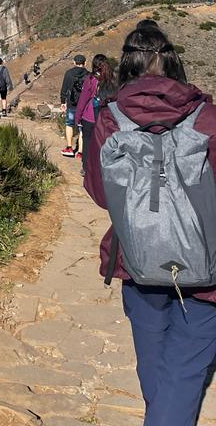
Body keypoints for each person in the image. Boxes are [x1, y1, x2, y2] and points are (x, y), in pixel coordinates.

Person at [84, 23, 216, 426]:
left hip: (137, 263)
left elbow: (100, 193)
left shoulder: (110, 119)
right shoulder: (208, 117)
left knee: (155, 367)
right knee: (184, 371)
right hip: (207, 274)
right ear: (175, 62)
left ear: (126, 67)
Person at [73, 54, 113, 175]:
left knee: (87, 143)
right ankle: (101, 168)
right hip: (106, 117)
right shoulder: (111, 79)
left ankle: (86, 168)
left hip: (90, 116)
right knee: (102, 143)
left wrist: (78, 117)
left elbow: (83, 100)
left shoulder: (91, 79)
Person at [60, 54, 87, 158]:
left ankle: (69, 148)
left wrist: (63, 102)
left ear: (74, 62)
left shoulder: (69, 73)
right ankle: (80, 153)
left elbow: (64, 89)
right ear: (85, 63)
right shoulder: (89, 75)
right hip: (84, 106)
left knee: (69, 124)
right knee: (82, 128)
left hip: (71, 104)